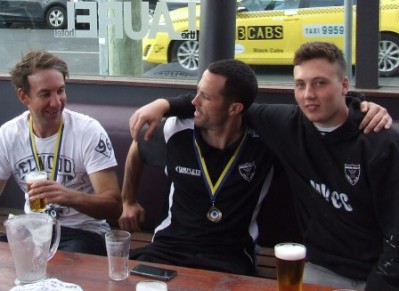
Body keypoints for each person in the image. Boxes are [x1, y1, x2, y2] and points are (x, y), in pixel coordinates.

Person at [127, 43, 398, 290]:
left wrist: (362, 105)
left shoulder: (380, 143)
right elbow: (215, 103)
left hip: (379, 271)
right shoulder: (286, 125)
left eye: (320, 83)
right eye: (300, 84)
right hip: (320, 268)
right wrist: (165, 104)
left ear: (344, 85)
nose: (308, 95)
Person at [119, 59, 276, 275]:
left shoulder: (267, 140)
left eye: (206, 96)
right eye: (197, 92)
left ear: (235, 108)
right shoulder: (176, 130)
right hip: (168, 249)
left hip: (230, 257)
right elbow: (137, 149)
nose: (194, 101)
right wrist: (128, 200)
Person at [0, 50, 122, 256]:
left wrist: (69, 196)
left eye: (60, 91)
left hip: (82, 233)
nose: (56, 102)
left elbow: (113, 206)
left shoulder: (88, 131)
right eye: (45, 94)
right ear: (24, 96)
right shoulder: (8, 134)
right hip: (34, 230)